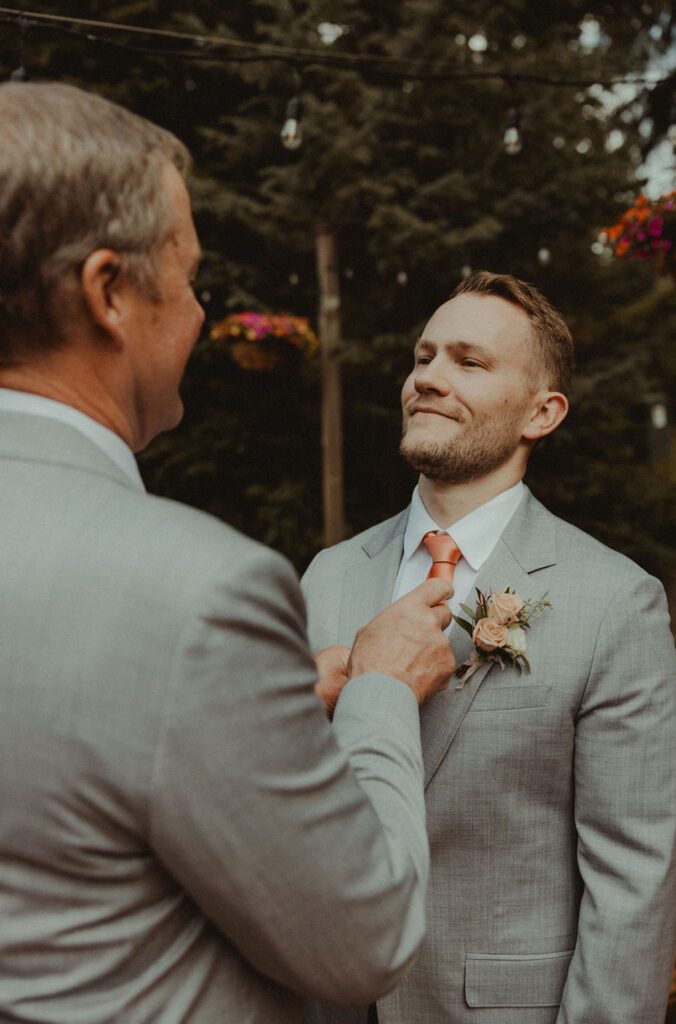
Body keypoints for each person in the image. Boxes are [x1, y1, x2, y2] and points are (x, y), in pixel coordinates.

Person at [0, 81, 459, 1024]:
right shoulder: (197, 590)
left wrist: (263, 698)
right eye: (191, 276)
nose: (204, 314)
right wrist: (377, 689)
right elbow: (363, 941)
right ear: (110, 293)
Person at [303, 271, 676, 1024]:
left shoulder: (614, 600)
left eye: (468, 363)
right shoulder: (327, 577)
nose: (428, 380)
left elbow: (634, 881)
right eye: (423, 358)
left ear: (541, 413)